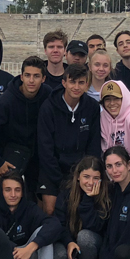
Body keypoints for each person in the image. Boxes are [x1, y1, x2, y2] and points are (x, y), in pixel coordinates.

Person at [0, 56, 51, 194]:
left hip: (39, 156)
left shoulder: (48, 95)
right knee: (5, 196)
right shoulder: (8, 100)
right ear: (21, 77)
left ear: (43, 79)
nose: (31, 80)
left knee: (41, 199)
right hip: (12, 152)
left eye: (36, 76)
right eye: (27, 75)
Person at [37, 63, 101, 214]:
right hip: (53, 169)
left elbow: (93, 146)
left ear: (87, 85)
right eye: (72, 82)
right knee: (50, 209)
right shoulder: (48, 107)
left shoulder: (92, 107)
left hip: (79, 170)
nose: (76, 87)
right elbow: (45, 149)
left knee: (77, 210)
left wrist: (82, 175)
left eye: (81, 82)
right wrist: (60, 180)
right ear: (64, 83)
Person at [52, 156, 109, 259]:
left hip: (95, 245)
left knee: (85, 237)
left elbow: (96, 226)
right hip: (74, 242)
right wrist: (69, 242)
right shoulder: (66, 192)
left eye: (96, 178)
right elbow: (59, 223)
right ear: (78, 177)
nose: (90, 182)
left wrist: (88, 200)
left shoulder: (106, 195)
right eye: (86, 177)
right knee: (58, 255)